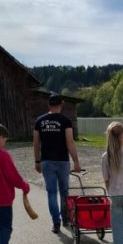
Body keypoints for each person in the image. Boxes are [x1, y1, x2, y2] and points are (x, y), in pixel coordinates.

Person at [33, 94, 81, 234]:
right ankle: (65, 218)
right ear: (62, 104)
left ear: (49, 105)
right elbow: (70, 142)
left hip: (47, 161)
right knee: (64, 191)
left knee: (52, 192)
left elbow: (36, 143)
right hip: (62, 161)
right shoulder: (65, 121)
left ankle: (56, 222)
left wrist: (37, 161)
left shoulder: (40, 121)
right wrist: (76, 162)